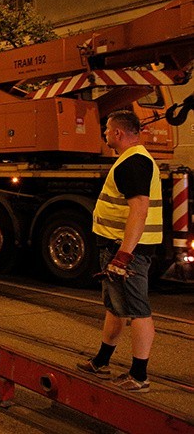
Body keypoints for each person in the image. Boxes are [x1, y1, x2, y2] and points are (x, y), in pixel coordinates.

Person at [77, 110, 162, 393]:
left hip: (127, 251)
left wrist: (123, 255)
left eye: (107, 131)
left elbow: (139, 209)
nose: (104, 136)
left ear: (117, 133)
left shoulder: (133, 163)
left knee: (138, 311)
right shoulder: (132, 160)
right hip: (118, 247)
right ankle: (101, 362)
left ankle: (139, 376)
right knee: (115, 307)